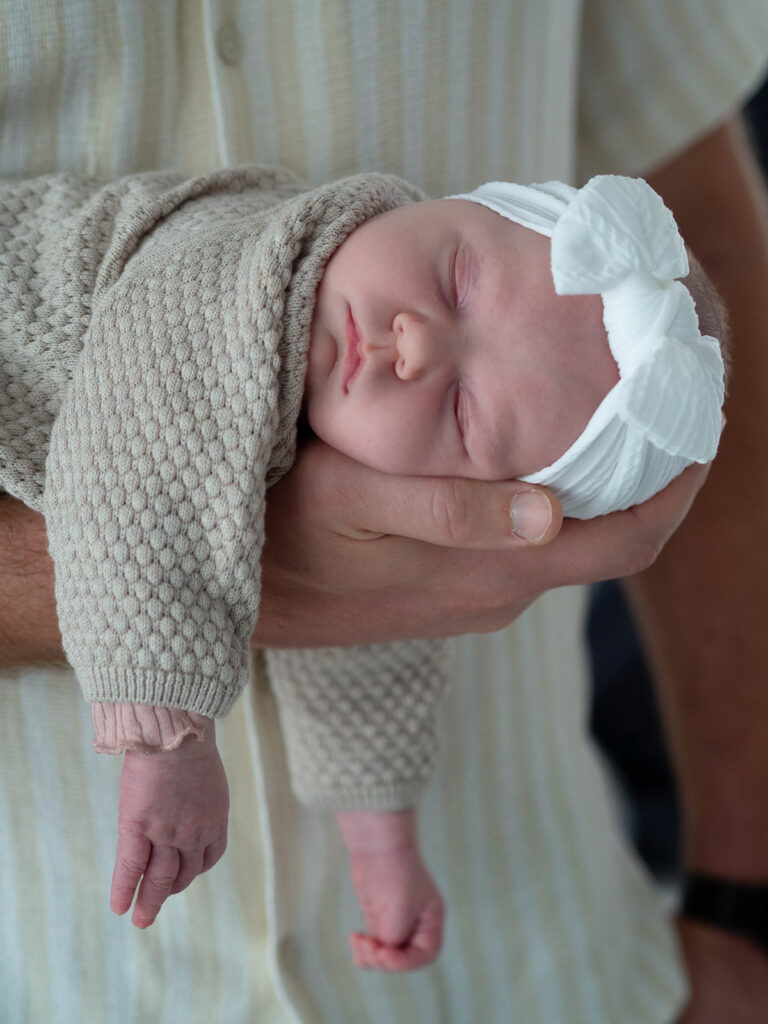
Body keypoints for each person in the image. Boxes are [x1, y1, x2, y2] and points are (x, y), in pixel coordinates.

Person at [1, 3, 767, 1021]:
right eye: (454, 273)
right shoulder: (247, 269)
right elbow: (135, 458)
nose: (409, 345)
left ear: (490, 498)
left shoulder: (349, 420)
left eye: (461, 413)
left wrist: (384, 841)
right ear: (470, 205)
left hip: (540, 973)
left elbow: (380, 624)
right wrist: (166, 741)